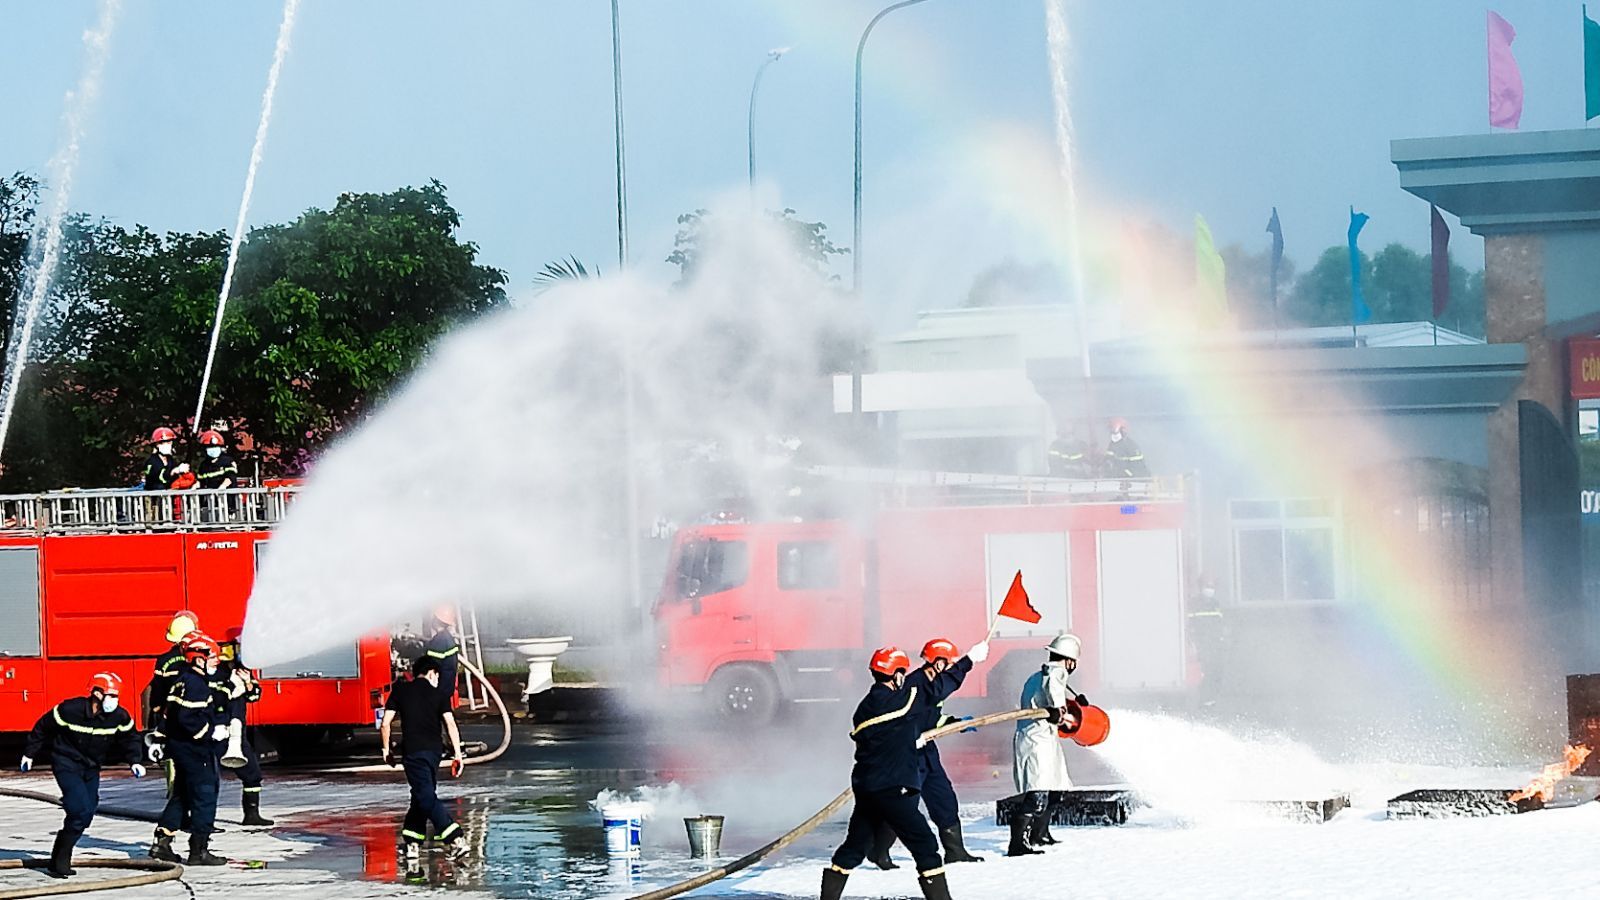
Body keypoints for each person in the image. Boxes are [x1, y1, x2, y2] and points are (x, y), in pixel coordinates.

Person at [821, 647, 953, 900]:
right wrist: (964, 663)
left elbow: (897, 730)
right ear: (897, 674)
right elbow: (932, 690)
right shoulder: (900, 701)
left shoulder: (865, 707)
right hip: (893, 789)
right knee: (925, 845)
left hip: (867, 788)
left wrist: (915, 737)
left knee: (855, 847)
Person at [869, 637, 990, 869]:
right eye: (949, 663)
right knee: (903, 806)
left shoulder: (932, 684)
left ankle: (955, 851)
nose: (951, 667)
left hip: (927, 753)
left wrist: (956, 723)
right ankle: (879, 850)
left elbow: (931, 719)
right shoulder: (917, 684)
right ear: (938, 663)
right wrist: (968, 661)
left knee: (944, 799)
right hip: (907, 756)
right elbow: (941, 688)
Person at [21, 672, 146, 878]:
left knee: (87, 812)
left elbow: (130, 738)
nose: (114, 700)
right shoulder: (70, 710)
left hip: (91, 767)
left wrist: (135, 760)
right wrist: (29, 754)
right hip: (66, 763)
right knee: (78, 808)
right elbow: (42, 727)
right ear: (97, 693)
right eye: (111, 695)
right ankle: (61, 859)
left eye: (116, 696)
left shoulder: (119, 717)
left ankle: (58, 857)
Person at [150, 632, 229, 866]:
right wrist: (210, 732)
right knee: (205, 795)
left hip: (181, 748)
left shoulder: (183, 679)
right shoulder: (195, 684)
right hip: (196, 750)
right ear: (199, 658)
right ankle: (199, 850)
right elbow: (188, 718)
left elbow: (170, 714)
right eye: (212, 658)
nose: (216, 662)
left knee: (182, 795)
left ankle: (162, 843)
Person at [380, 655, 469, 863]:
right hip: (434, 753)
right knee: (421, 794)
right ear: (432, 673)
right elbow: (450, 724)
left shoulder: (401, 690)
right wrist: (458, 754)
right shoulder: (439, 694)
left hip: (413, 752)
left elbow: (385, 723)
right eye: (437, 676)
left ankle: (456, 839)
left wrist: (386, 749)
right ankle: (412, 842)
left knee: (425, 796)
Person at [1011, 632, 1085, 856]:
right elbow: (1054, 695)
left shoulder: (1038, 675)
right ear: (1070, 660)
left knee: (1055, 790)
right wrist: (1062, 712)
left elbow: (1046, 696)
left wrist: (1073, 704)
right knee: (1038, 793)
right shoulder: (1056, 673)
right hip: (1036, 739)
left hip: (1044, 738)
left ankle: (1040, 834)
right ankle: (1018, 843)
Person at [215, 627, 273, 827]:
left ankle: (252, 814)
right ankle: (196, 818)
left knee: (253, 774)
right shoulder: (217, 673)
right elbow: (216, 699)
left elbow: (254, 696)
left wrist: (248, 684)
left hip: (237, 734)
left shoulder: (243, 671)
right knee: (208, 778)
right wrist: (231, 687)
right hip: (219, 733)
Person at [423, 606, 461, 706]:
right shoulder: (447, 637)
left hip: (439, 689)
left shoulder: (439, 641)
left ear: (436, 620)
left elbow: (431, 665)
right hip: (446, 686)